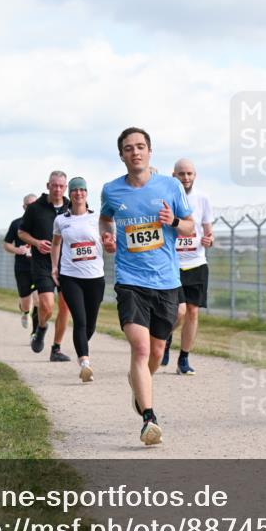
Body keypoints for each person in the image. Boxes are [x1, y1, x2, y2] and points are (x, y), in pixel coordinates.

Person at [99, 127, 194, 446]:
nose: (135, 152)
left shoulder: (170, 186)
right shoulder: (111, 191)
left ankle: (139, 384)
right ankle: (149, 418)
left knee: (155, 350)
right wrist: (107, 236)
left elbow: (189, 226)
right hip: (130, 282)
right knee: (140, 348)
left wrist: (175, 223)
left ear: (150, 151)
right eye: (129, 148)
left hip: (166, 282)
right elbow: (104, 219)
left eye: (140, 147)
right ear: (122, 155)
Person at [161, 158, 214, 375]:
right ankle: (164, 338)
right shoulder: (166, 199)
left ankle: (183, 358)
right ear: (174, 175)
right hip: (172, 264)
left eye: (189, 174)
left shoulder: (202, 199)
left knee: (192, 312)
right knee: (178, 312)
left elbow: (208, 231)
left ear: (195, 176)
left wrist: (209, 240)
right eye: (181, 174)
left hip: (196, 263)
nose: (186, 178)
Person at [51, 177, 106, 383]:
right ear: (70, 194)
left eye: (82, 189)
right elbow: (56, 244)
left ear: (86, 193)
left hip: (95, 277)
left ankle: (81, 345)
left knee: (90, 323)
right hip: (70, 276)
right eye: (74, 190)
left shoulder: (99, 218)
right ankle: (85, 364)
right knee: (80, 320)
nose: (78, 193)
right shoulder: (61, 220)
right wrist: (54, 267)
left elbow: (110, 241)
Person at [19, 171, 72, 362]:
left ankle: (56, 348)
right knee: (47, 305)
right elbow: (22, 233)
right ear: (48, 185)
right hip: (42, 264)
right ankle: (41, 328)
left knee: (65, 307)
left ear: (65, 187)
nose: (57, 189)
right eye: (54, 185)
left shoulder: (71, 207)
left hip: (67, 264)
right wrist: (36, 242)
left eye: (61, 186)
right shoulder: (35, 208)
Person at [4, 194, 38, 329]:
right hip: (22, 268)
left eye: (33, 205)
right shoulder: (16, 224)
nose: (30, 207)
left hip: (39, 267)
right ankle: (25, 312)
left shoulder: (44, 222)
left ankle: (35, 332)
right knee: (26, 302)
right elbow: (6, 244)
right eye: (28, 205)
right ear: (24, 207)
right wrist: (17, 250)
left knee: (39, 300)